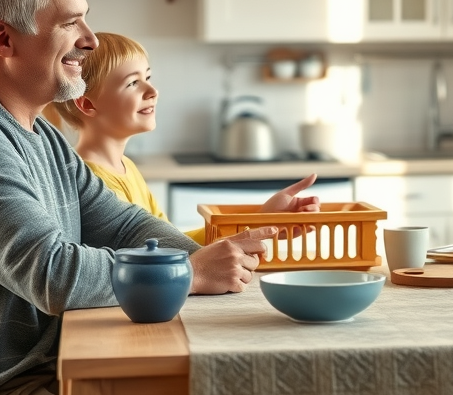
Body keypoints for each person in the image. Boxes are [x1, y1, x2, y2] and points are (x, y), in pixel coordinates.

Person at [0, 0, 307, 395]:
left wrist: (222, 259)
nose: (90, 40)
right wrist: (191, 271)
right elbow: (53, 273)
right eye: (71, 23)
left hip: (38, 368)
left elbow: (122, 224)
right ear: (3, 39)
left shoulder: (37, 132)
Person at [46, 32, 319, 245]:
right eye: (132, 83)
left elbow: (173, 243)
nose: (152, 91)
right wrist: (255, 227)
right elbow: (158, 257)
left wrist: (260, 223)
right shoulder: (95, 181)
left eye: (148, 78)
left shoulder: (126, 168)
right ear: (88, 105)